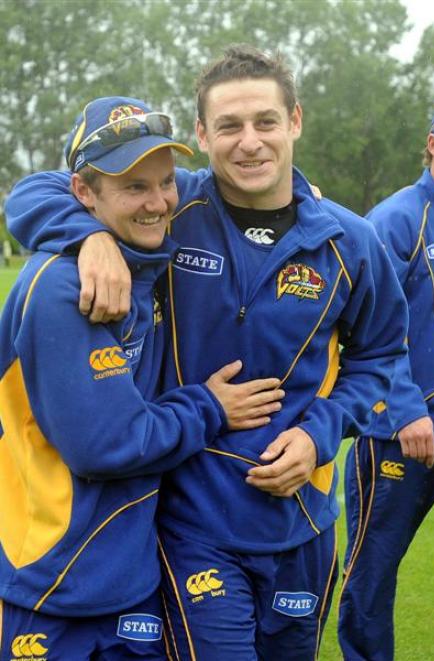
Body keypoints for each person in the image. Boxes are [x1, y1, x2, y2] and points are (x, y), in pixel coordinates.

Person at [6, 45, 409, 660]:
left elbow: (381, 357)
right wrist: (87, 236)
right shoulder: (174, 209)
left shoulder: (352, 242)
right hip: (190, 521)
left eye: (266, 122)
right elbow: (38, 190)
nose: (250, 142)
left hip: (302, 516)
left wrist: (320, 435)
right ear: (203, 133)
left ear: (294, 121)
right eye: (229, 126)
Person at [0, 95, 285, 661]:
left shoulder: (145, 265)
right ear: (84, 194)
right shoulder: (64, 290)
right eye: (134, 187)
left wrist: (298, 196)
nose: (158, 203)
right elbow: (105, 447)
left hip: (133, 580)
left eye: (165, 182)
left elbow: (247, 179)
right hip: (50, 586)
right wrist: (210, 407)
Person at [338, 96, 434, 661]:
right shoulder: (395, 219)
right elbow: (368, 329)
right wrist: (406, 409)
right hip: (400, 437)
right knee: (372, 580)